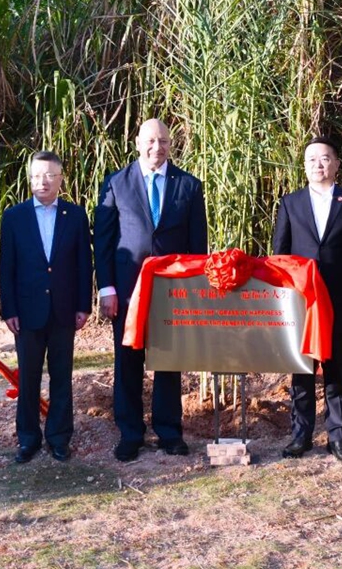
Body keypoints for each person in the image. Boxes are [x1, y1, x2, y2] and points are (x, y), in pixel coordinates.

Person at [95, 118, 208, 462]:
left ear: (171, 144)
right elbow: (104, 240)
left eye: (162, 141)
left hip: (172, 291)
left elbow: (197, 246)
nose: (156, 147)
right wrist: (107, 289)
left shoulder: (189, 185)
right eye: (150, 140)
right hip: (127, 292)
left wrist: (193, 289)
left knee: (168, 362)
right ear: (137, 142)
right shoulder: (117, 182)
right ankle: (130, 433)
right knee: (127, 361)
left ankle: (169, 432)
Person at [271, 137, 342, 463]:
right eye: (311, 159)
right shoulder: (290, 203)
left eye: (325, 158)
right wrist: (281, 296)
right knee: (301, 368)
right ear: (304, 166)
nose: (318, 164)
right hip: (301, 301)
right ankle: (301, 435)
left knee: (336, 367)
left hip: (339, 298)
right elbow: (280, 255)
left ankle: (338, 437)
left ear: (337, 164)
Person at [0, 151, 92, 463]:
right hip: (26, 312)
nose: (44, 181)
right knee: (28, 378)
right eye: (38, 175)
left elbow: (83, 265)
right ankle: (28, 438)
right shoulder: (14, 217)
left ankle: (59, 437)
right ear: (30, 178)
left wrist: (83, 305)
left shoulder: (75, 216)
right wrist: (8, 309)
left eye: (50, 175)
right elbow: (7, 266)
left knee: (62, 376)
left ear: (61, 178)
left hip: (64, 310)